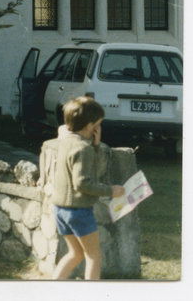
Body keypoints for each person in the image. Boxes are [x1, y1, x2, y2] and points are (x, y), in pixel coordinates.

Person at [46, 96, 125, 280]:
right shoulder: (83, 148)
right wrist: (111, 191)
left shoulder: (65, 141)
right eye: (98, 124)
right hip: (79, 211)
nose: (99, 128)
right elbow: (82, 183)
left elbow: (84, 167)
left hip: (60, 209)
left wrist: (96, 146)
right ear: (90, 126)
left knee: (75, 254)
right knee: (93, 256)